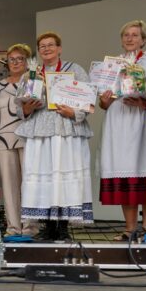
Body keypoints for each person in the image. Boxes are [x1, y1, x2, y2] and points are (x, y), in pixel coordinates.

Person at [17, 32, 94, 240]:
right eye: (42, 46)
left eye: (51, 45)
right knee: (44, 178)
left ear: (59, 48)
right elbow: (19, 110)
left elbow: (88, 100)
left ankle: (62, 227)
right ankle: (48, 226)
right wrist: (27, 108)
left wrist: (74, 113)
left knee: (63, 177)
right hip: (40, 132)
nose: (46, 49)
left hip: (66, 130)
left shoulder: (75, 70)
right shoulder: (30, 74)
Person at [99, 20, 146, 240]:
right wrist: (105, 100)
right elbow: (103, 103)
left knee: (143, 172)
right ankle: (129, 229)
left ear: (143, 39)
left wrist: (145, 100)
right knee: (124, 174)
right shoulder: (111, 64)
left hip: (141, 120)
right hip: (117, 121)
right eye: (126, 35)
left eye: (135, 35)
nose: (129, 38)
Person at [0, 44, 36, 237]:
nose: (16, 62)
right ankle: (13, 228)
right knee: (9, 185)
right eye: (12, 59)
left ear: (27, 62)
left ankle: (30, 227)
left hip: (29, 137)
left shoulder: (34, 82)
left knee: (29, 183)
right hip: (4, 138)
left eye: (20, 58)